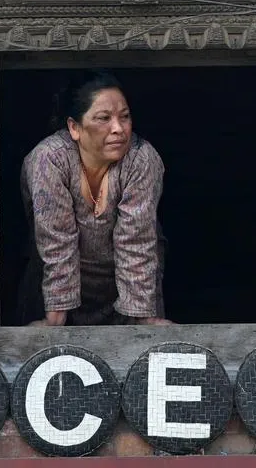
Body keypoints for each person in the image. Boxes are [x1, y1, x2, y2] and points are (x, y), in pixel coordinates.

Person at [18, 70, 170, 326]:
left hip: (129, 288)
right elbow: (56, 243)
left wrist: (144, 320)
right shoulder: (49, 160)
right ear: (74, 128)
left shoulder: (141, 159)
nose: (118, 129)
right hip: (54, 288)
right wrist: (53, 320)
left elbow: (137, 242)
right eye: (104, 118)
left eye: (125, 117)